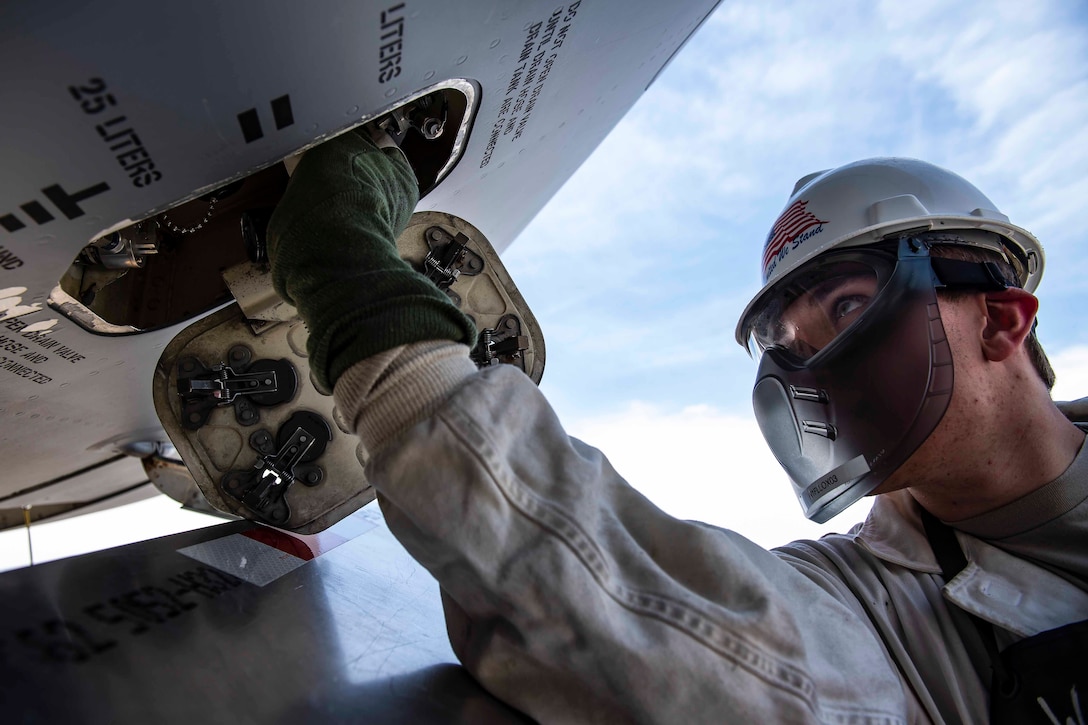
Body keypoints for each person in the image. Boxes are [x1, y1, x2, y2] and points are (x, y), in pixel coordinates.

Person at [266, 130, 1087, 723]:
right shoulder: (873, 609)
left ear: (1003, 321)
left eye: (846, 307)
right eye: (790, 347)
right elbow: (592, 586)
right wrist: (352, 281)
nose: (817, 371)